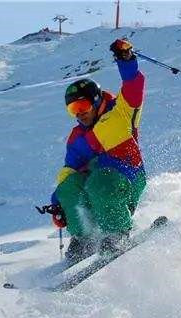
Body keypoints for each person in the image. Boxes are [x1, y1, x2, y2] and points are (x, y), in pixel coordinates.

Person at [49, 38, 147, 263]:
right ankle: (85, 240)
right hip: (97, 181)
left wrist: (127, 60)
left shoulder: (120, 112)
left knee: (99, 183)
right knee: (69, 190)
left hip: (127, 178)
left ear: (95, 100)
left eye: (82, 106)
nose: (78, 113)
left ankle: (117, 234)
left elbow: (133, 87)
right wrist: (58, 200)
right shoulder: (77, 136)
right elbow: (70, 170)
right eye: (72, 109)